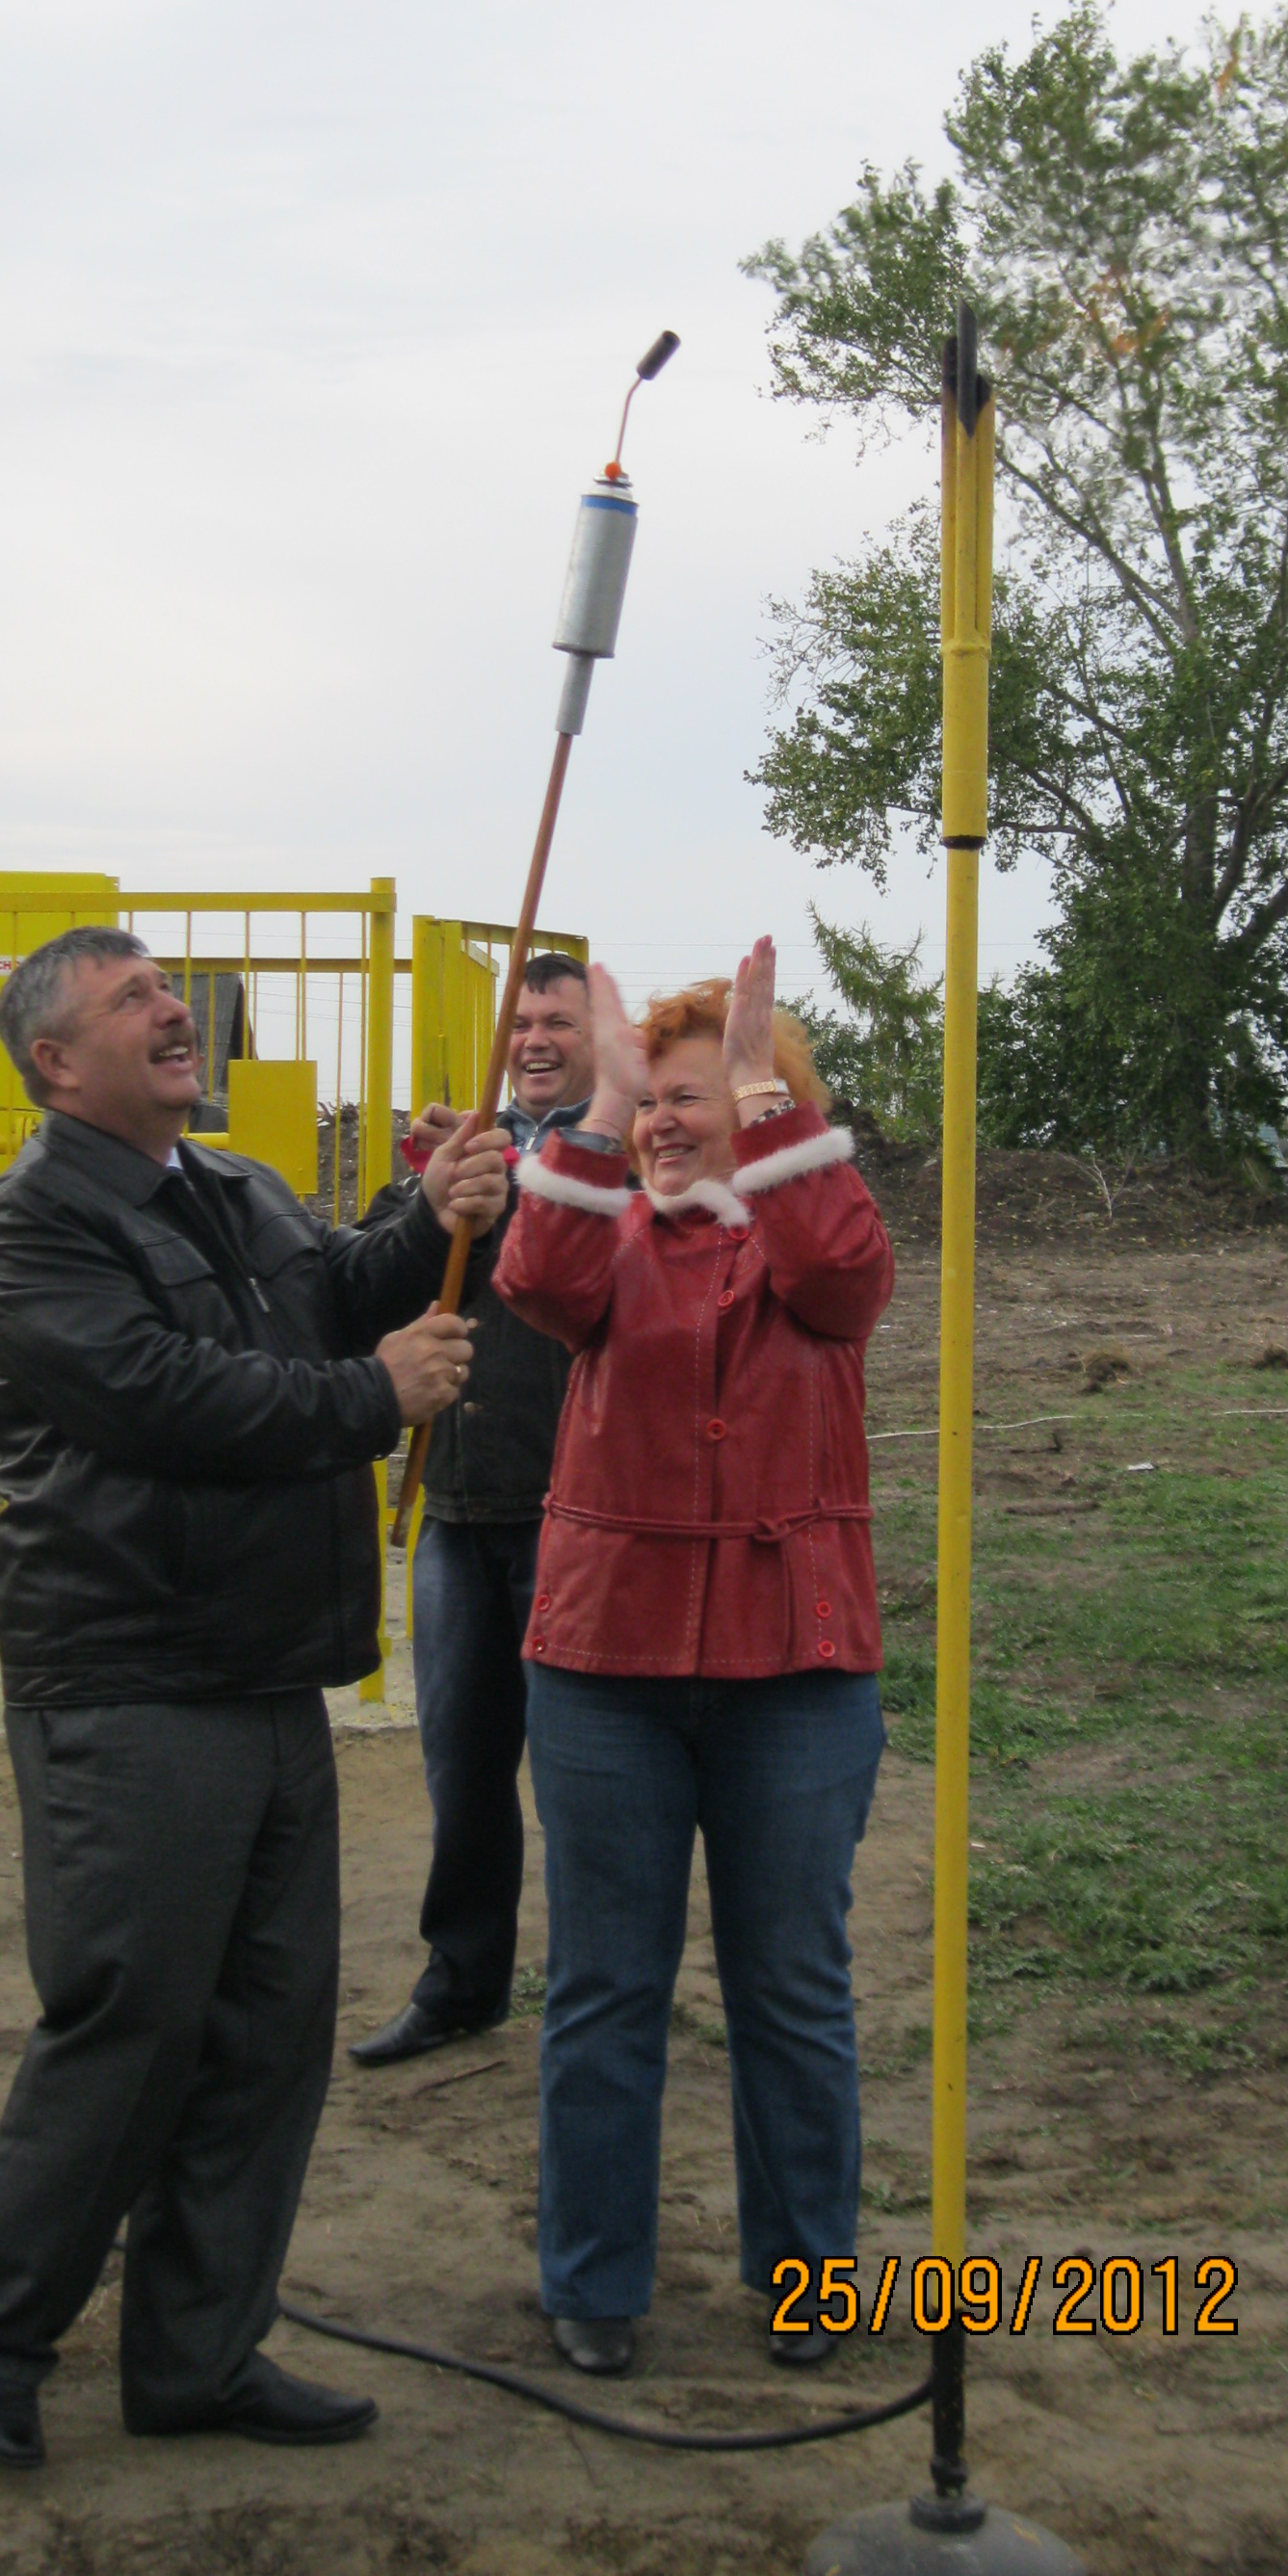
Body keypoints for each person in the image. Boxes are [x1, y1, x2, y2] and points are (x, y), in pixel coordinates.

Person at [0, 926, 510, 2473]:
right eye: (131, 1002)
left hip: (265, 1678)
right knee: (130, 2026)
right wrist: (375, 1397)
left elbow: (335, 1296)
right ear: (55, 1062)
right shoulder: (33, 1230)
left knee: (267, 2036)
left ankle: (197, 2356)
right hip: (127, 1682)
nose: (175, 1010)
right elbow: (176, 1400)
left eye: (168, 990)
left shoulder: (235, 1184)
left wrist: (432, 1213)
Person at [493, 936, 894, 2377]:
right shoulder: (604, 1234)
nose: (666, 1119)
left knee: (793, 1988)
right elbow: (534, 1278)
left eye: (690, 1095)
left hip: (796, 1671)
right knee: (605, 1984)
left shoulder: (814, 1236)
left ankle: (808, 2285)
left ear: (764, 1107)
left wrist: (760, 1090)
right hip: (605, 1671)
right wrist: (596, 1108)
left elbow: (847, 1274)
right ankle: (595, 2284)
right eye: (651, 1096)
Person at [350, 954, 602, 2065]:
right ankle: (461, 1985)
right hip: (456, 1512)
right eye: (522, 1023)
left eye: (559, 1020)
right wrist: (426, 1189)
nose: (536, 1039)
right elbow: (368, 1275)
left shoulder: (629, 1156)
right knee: (462, 1770)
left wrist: (542, 1182)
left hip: (582, 1521)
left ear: (602, 1038)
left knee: (590, 1781)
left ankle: (601, 2000)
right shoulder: (458, 1154)